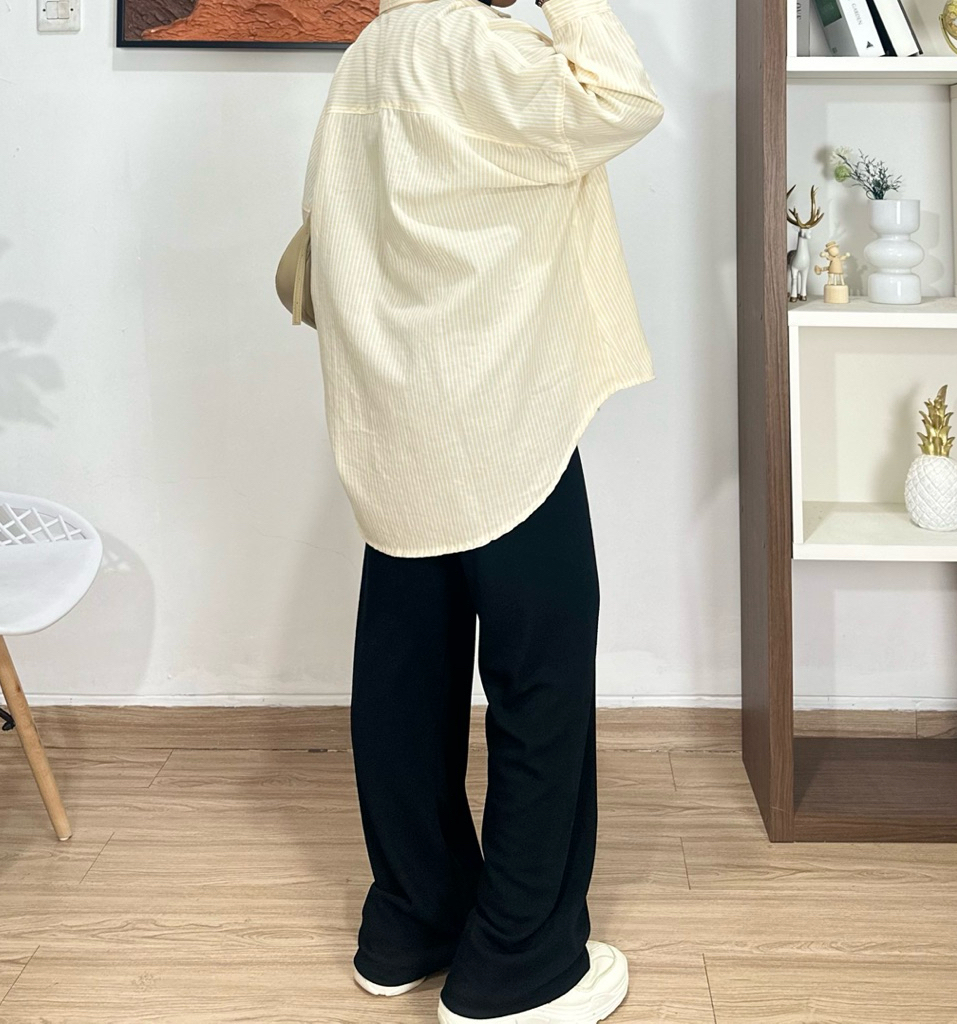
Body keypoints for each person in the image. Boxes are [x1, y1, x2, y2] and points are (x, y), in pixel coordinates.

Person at [298, 0, 664, 1020]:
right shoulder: (488, 51)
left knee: (403, 684)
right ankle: (517, 967)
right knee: (540, 689)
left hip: (396, 422)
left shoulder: (369, 54)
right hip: (504, 425)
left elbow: (326, 224)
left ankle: (409, 925)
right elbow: (626, 98)